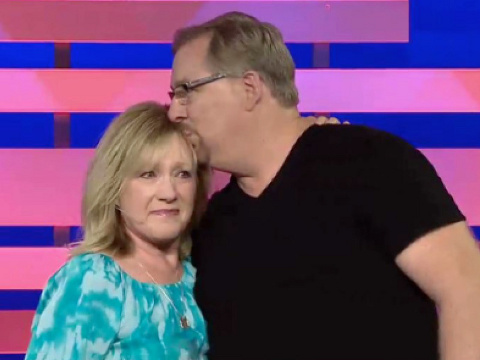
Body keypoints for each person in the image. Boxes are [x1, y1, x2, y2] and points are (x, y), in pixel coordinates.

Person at [168, 11, 480, 360]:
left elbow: (466, 288)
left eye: (186, 91)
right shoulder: (212, 226)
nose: (174, 113)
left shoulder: (370, 162)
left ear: (249, 88)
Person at [25, 102, 210, 360]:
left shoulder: (201, 274)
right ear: (114, 188)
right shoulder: (93, 281)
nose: (169, 193)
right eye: (148, 174)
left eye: (182, 174)